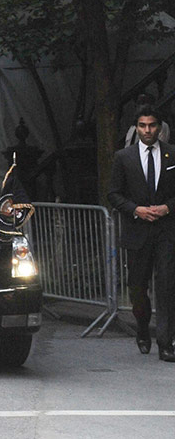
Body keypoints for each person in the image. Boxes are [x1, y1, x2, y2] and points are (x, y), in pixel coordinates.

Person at [108, 105, 175, 362]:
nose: (148, 130)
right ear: (136, 128)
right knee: (138, 288)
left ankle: (165, 342)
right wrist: (136, 209)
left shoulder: (172, 154)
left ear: (160, 127)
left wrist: (168, 207)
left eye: (152, 125)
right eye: (143, 125)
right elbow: (113, 193)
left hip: (166, 232)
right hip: (137, 233)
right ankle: (142, 329)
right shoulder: (123, 157)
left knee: (167, 286)